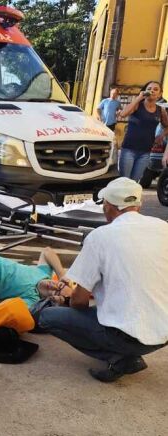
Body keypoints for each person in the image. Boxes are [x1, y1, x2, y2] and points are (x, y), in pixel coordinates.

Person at [37, 177, 168, 382]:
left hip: (127, 335)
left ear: (108, 206)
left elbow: (79, 302)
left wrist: (65, 299)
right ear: (138, 204)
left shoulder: (100, 237)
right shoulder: (163, 227)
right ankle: (123, 352)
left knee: (48, 317)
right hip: (163, 333)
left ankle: (117, 357)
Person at [118, 81, 168, 182]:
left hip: (145, 152)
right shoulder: (137, 105)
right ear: (144, 91)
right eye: (149, 89)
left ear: (160, 94)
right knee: (123, 181)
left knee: (134, 182)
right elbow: (123, 114)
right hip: (129, 149)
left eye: (155, 89)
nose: (152, 91)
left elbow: (167, 126)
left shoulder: (160, 110)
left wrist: (162, 135)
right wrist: (138, 98)